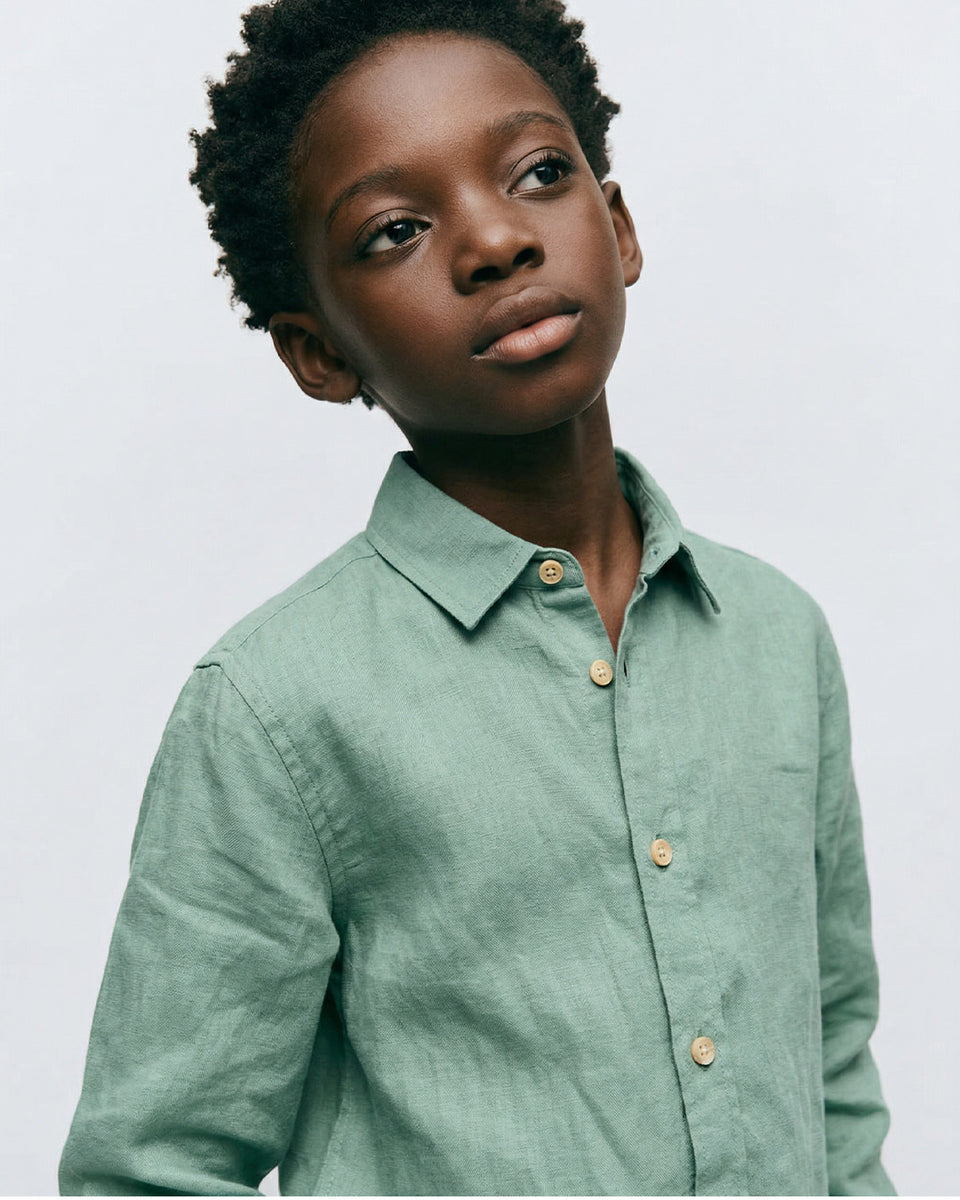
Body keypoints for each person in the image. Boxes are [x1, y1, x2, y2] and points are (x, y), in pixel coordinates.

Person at [58, 0, 895, 1194]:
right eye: (395, 231)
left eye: (540, 174)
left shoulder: (776, 638)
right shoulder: (275, 709)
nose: (496, 241)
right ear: (318, 352)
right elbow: (149, 1166)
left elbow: (829, 1060)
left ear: (619, 226)